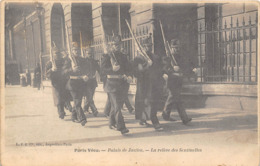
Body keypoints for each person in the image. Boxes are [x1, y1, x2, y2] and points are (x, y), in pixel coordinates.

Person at [101, 34, 132, 134]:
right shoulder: (107, 56)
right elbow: (102, 70)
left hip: (122, 84)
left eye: (118, 44)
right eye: (114, 44)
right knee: (117, 107)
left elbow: (128, 69)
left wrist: (129, 76)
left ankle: (111, 123)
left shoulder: (123, 56)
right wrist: (112, 69)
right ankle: (121, 127)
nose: (116, 46)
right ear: (111, 45)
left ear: (121, 44)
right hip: (111, 84)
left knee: (115, 106)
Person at [133, 36, 165, 130]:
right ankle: (143, 119)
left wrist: (162, 76)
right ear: (142, 47)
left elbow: (160, 69)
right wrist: (147, 65)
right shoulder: (138, 58)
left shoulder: (155, 57)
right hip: (143, 84)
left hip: (153, 84)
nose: (148, 48)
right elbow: (137, 72)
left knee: (153, 102)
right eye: (146, 46)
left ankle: (155, 121)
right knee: (143, 102)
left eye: (149, 46)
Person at [161, 39, 192, 124]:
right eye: (174, 48)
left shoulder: (180, 57)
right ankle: (184, 118)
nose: (176, 49)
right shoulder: (167, 57)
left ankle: (166, 114)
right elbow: (164, 69)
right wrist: (172, 69)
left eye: (178, 48)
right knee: (177, 99)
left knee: (173, 98)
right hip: (171, 81)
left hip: (179, 81)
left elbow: (184, 67)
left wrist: (190, 71)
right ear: (171, 48)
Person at [63, 42, 87, 126]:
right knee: (77, 101)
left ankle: (73, 116)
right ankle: (82, 118)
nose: (76, 51)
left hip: (80, 83)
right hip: (72, 84)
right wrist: (72, 70)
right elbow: (64, 72)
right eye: (75, 50)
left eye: (77, 50)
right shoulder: (68, 60)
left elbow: (85, 70)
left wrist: (85, 75)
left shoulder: (82, 59)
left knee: (78, 101)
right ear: (72, 51)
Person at [45, 45, 72, 119]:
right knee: (58, 98)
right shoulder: (50, 63)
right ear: (52, 54)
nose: (57, 55)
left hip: (64, 81)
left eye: (58, 53)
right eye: (56, 53)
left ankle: (67, 106)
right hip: (56, 83)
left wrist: (67, 57)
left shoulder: (63, 61)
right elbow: (46, 75)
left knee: (65, 96)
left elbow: (68, 65)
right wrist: (52, 70)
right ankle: (61, 112)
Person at [82, 47, 100, 117]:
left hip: (93, 80)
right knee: (89, 95)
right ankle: (94, 110)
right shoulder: (83, 61)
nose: (90, 55)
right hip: (86, 81)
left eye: (91, 53)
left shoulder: (94, 61)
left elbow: (99, 69)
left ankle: (85, 109)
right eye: (88, 53)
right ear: (86, 54)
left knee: (90, 95)